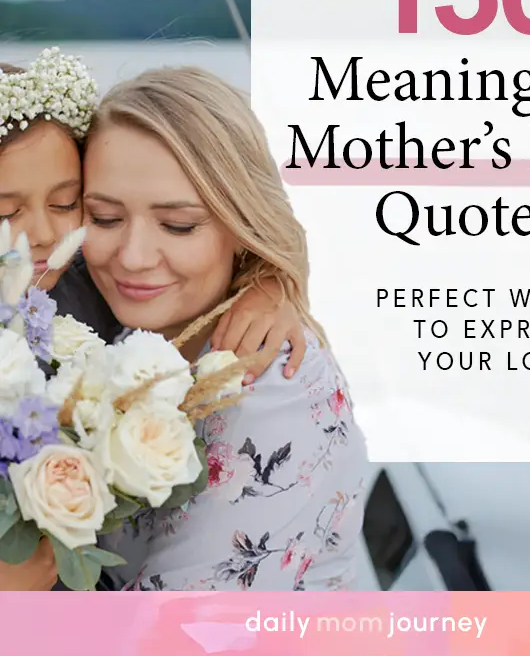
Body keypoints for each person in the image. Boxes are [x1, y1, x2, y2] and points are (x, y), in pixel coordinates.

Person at [0, 50, 308, 591]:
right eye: (106, 218)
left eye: (70, 204)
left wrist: (268, 279)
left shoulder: (69, 289)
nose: (44, 234)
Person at [83, 65, 368, 591]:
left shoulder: (270, 392)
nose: (133, 256)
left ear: (242, 225)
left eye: (179, 225)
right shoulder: (133, 331)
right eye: (103, 218)